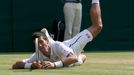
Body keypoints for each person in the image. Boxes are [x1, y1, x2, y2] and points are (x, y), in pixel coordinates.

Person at [12, 0, 102, 69]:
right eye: (37, 44)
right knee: (78, 60)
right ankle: (81, 57)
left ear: (47, 41)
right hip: (68, 59)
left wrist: (54, 65)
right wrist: (31, 65)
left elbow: (73, 58)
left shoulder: (57, 45)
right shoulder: (38, 54)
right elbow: (16, 65)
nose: (40, 45)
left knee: (98, 26)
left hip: (72, 47)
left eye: (41, 42)